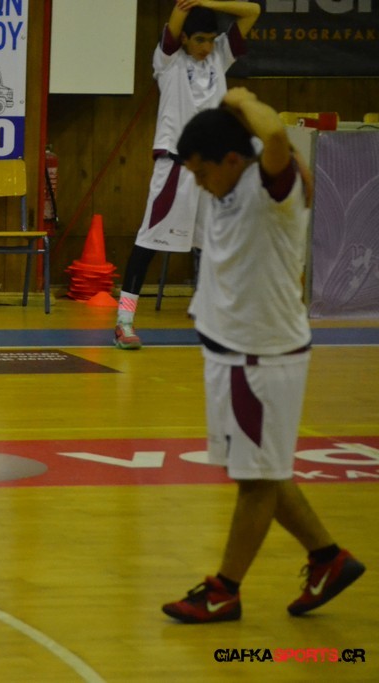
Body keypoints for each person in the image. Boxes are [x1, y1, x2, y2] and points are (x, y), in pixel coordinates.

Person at [161, 88, 365, 623]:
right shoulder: (233, 176)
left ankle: (225, 590)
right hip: (233, 355)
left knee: (255, 481)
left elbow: (273, 132)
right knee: (258, 470)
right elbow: (255, 137)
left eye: (201, 172)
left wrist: (239, 95)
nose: (198, 182)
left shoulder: (274, 185)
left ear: (232, 160)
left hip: (258, 358)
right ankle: (327, 557)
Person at [115, 0, 260, 350]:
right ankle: (124, 321)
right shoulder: (167, 60)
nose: (206, 46)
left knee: (221, 244)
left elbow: (252, 10)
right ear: (183, 39)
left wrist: (208, 3)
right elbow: (180, 12)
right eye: (199, 40)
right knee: (148, 243)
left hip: (214, 173)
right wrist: (191, 5)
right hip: (175, 169)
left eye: (210, 39)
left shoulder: (220, 56)